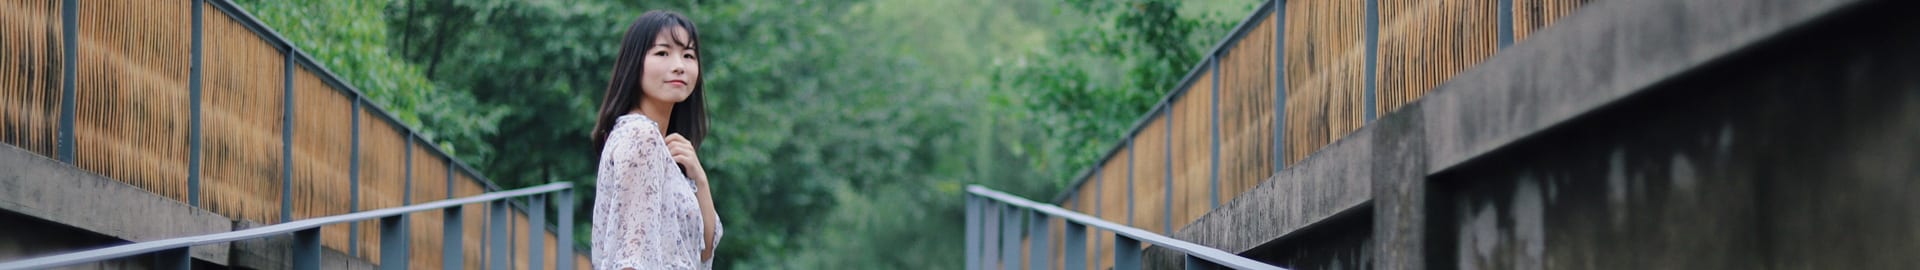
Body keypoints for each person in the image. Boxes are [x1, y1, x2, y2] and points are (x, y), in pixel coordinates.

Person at [588, 10, 722, 270]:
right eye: (662, 53)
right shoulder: (641, 136)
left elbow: (703, 251)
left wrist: (700, 179)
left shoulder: (659, 146)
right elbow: (632, 259)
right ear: (635, 63)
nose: (679, 65)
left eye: (688, 55)